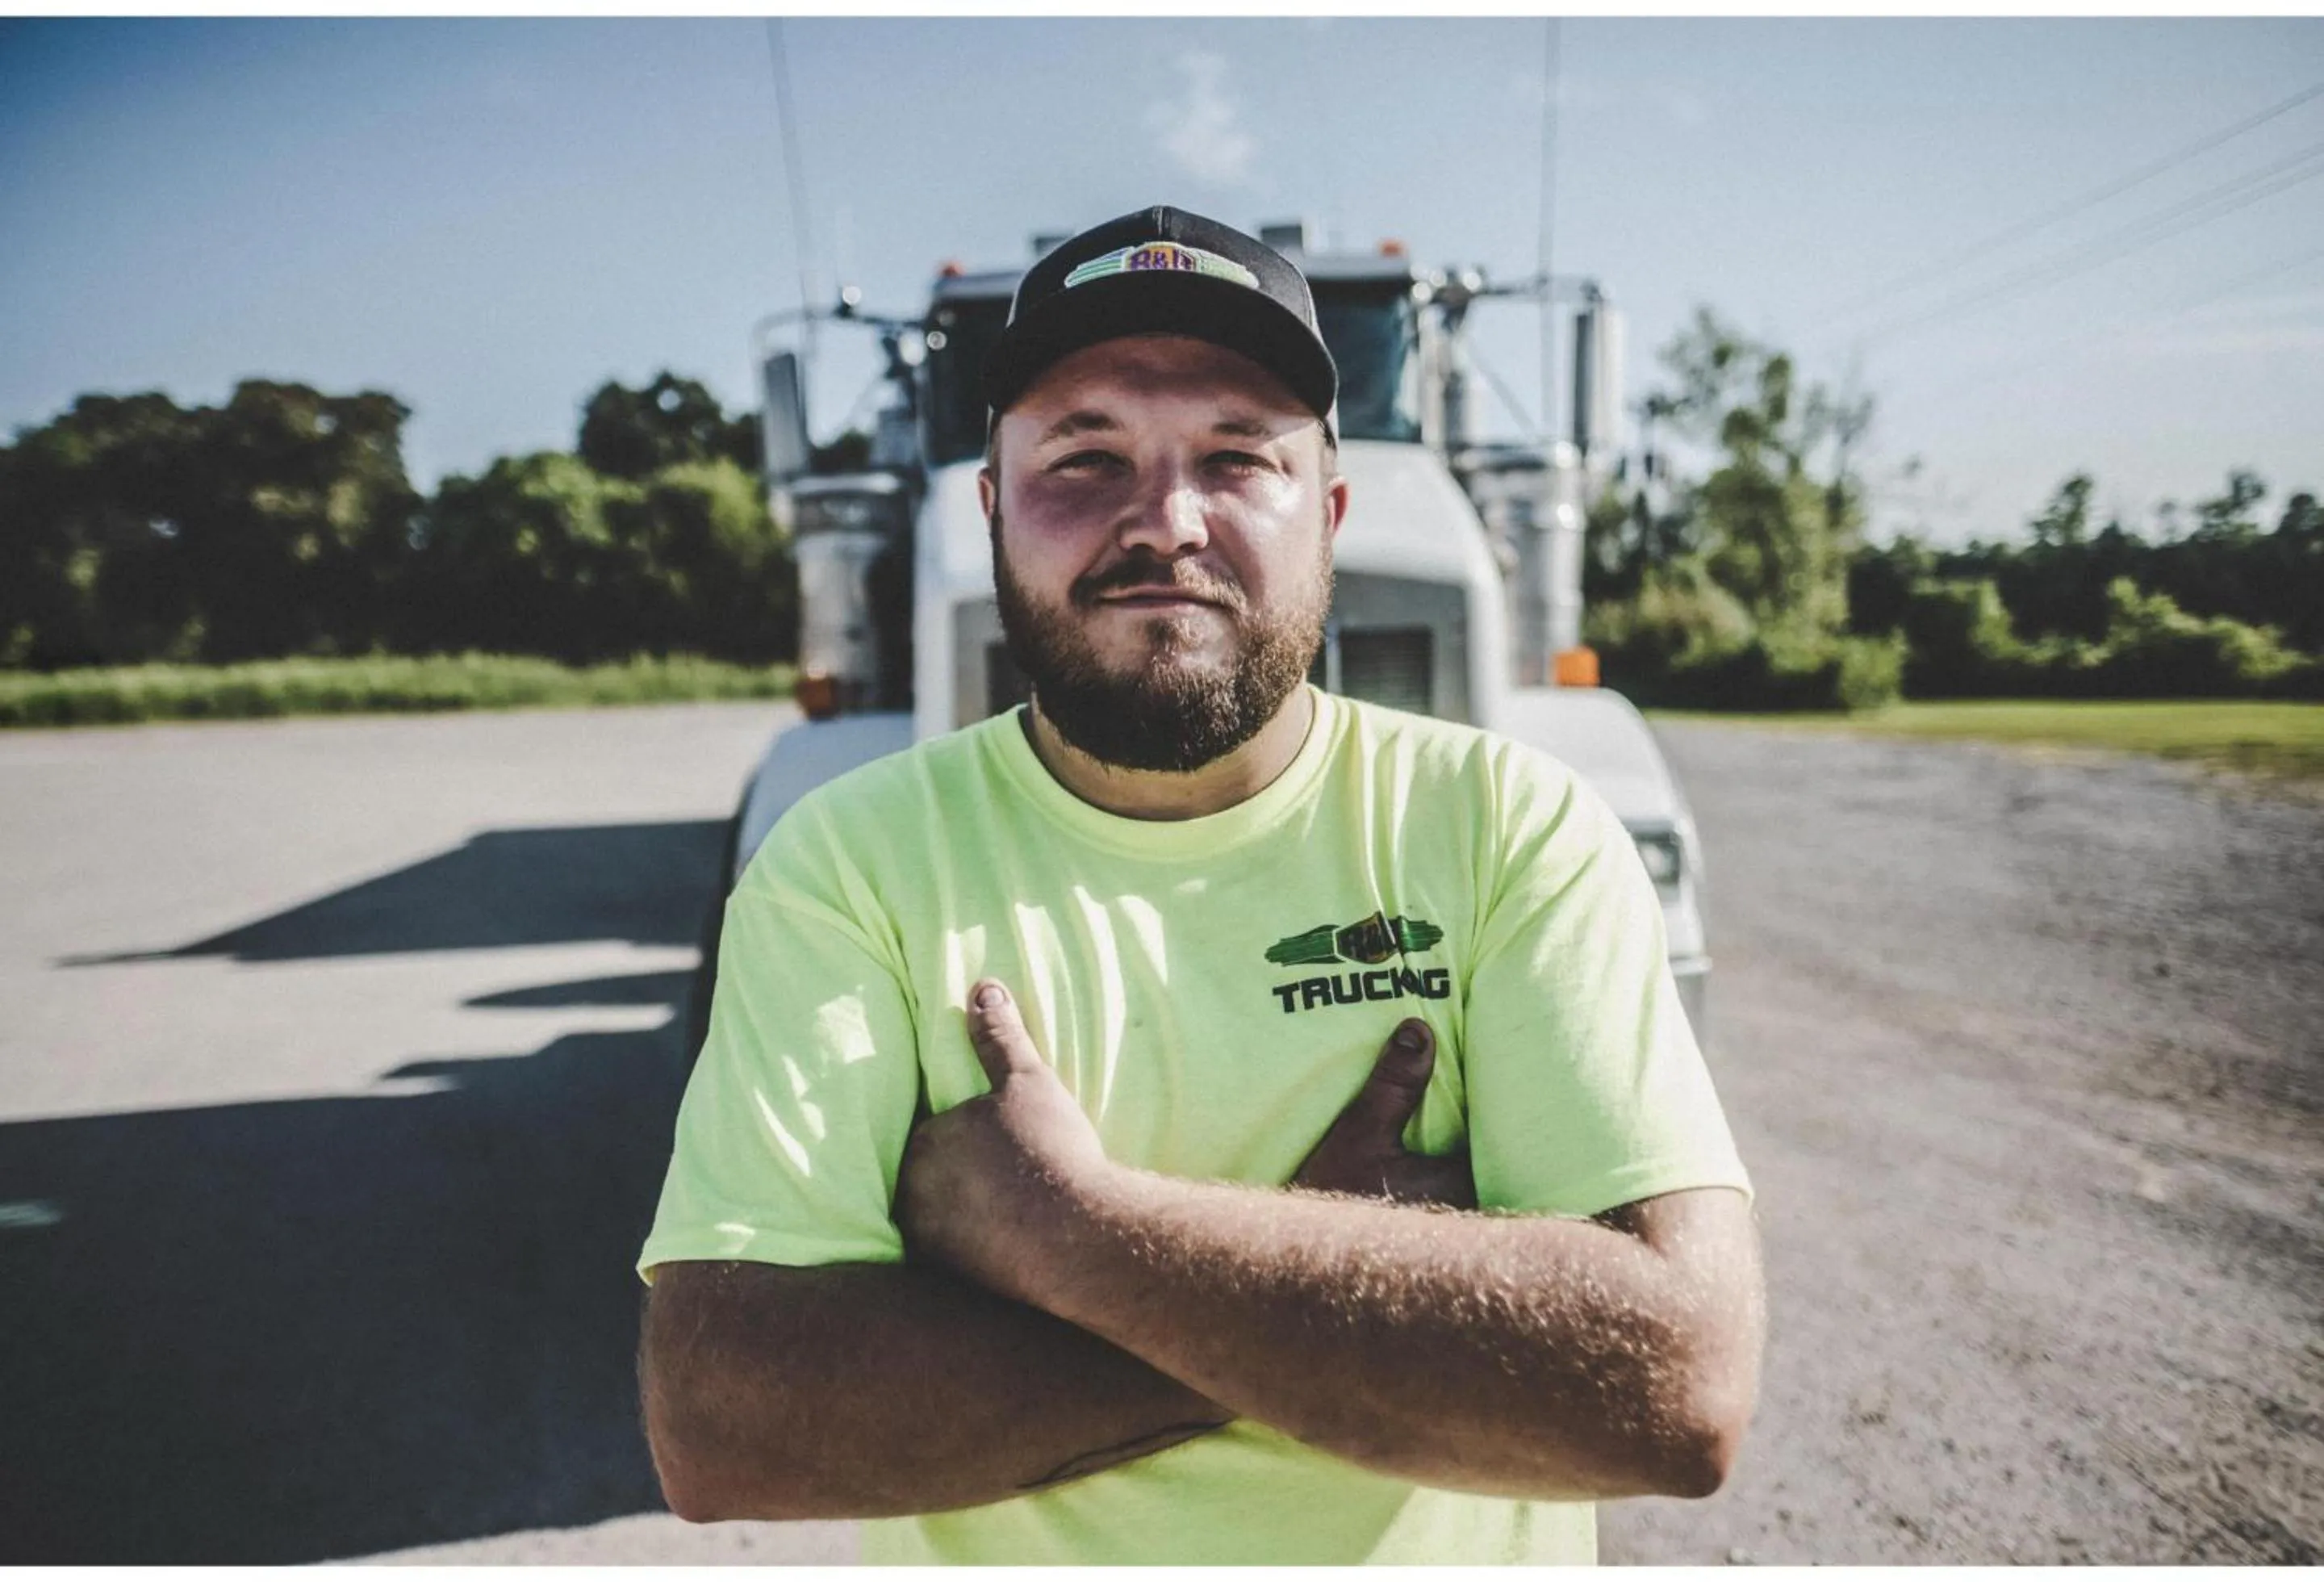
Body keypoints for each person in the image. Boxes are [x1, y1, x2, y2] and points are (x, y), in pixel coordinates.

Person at [634, 205, 1764, 1565]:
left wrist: (1068, 1233)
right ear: (988, 507)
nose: (1164, 523)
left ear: (1330, 514)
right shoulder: (847, 866)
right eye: (1084, 454)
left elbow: (1669, 1393)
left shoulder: (1508, 827)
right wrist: (1345, 1292)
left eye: (1238, 456)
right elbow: (724, 1425)